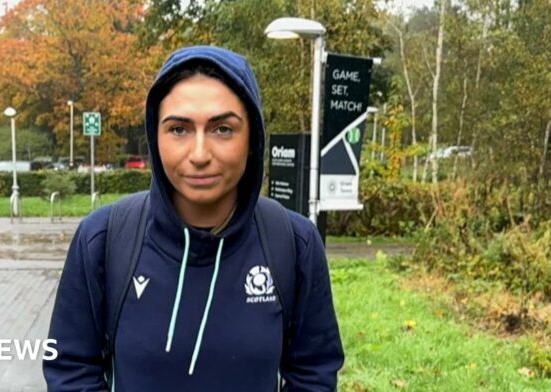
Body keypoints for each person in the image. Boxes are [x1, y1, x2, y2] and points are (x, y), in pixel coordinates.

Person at [43, 45, 344, 392]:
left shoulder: (294, 243)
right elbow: (70, 370)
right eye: (179, 130)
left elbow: (314, 374)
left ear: (252, 139)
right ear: (155, 137)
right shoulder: (102, 239)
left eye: (223, 129)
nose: (200, 155)